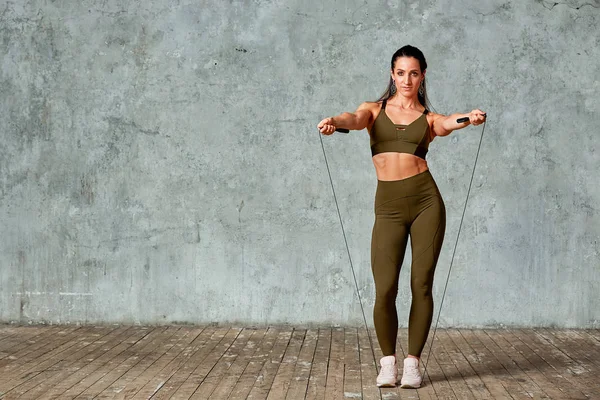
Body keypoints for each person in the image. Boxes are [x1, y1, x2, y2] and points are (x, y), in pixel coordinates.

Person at [317, 45, 486, 389]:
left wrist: (469, 117)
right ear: (391, 75)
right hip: (389, 207)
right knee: (385, 288)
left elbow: (447, 123)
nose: (406, 79)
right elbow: (353, 118)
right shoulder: (373, 111)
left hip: (426, 203)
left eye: (414, 73)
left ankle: (412, 363)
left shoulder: (427, 118)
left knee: (421, 284)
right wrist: (335, 121)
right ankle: (387, 363)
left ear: (423, 76)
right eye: (400, 72)